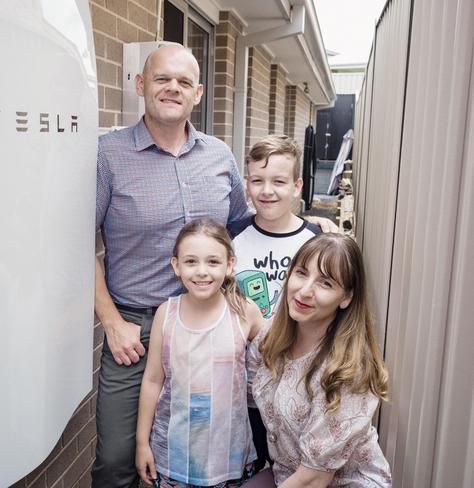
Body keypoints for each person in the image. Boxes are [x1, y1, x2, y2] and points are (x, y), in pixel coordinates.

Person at [92, 43, 335, 487]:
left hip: (215, 320)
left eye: (184, 82)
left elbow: (244, 224)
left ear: (198, 93)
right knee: (116, 460)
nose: (173, 88)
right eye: (162, 78)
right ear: (141, 84)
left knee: (203, 447)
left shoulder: (219, 156)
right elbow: (79, 244)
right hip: (138, 327)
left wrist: (306, 223)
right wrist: (110, 321)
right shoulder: (108, 155)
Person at [246, 233, 392, 487]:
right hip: (287, 474)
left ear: (346, 297)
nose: (304, 291)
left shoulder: (348, 371)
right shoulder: (271, 337)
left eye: (325, 283)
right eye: (301, 273)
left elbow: (313, 479)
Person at [135, 219, 263, 487]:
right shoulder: (165, 314)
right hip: (174, 458)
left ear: (229, 265)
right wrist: (141, 443)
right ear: (176, 266)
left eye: (213, 262)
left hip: (230, 458)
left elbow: (279, 356)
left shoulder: (244, 311)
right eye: (191, 261)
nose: (202, 272)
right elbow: (153, 380)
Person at [233, 135, 321, 468]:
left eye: (279, 181)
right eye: (258, 180)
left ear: (297, 186)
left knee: (293, 466)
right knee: (250, 467)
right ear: (247, 183)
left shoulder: (316, 241)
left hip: (297, 388)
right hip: (244, 389)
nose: (267, 190)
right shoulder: (232, 238)